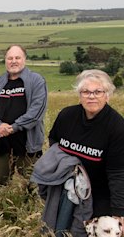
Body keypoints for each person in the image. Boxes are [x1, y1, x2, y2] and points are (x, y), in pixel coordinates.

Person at [44, 69, 124, 234]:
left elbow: (118, 173)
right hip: (66, 187)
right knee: (57, 229)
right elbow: (53, 142)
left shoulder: (116, 127)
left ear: (107, 95)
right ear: (79, 95)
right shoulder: (67, 116)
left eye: (98, 92)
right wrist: (63, 167)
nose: (91, 96)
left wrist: (119, 211)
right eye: (86, 91)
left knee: (83, 232)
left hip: (99, 195)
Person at [0, 44, 47, 186]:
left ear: (24, 59)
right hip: (0, 142)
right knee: (2, 184)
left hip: (26, 143)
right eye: (10, 58)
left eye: (17, 57)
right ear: (5, 60)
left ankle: (29, 208)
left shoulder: (36, 81)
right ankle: (3, 208)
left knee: (31, 185)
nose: (13, 61)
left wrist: (13, 127)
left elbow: (37, 111)